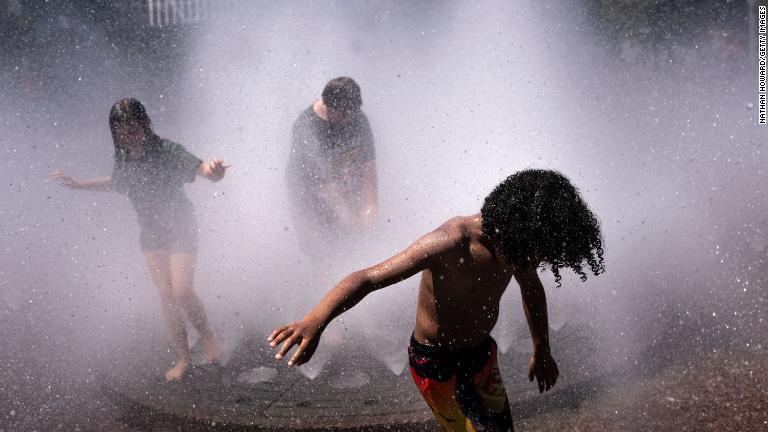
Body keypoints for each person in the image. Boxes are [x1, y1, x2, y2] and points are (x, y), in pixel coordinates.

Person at [268, 169, 605, 431]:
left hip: (480, 355)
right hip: (434, 362)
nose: (531, 261)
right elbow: (368, 278)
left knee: (499, 428)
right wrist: (316, 319)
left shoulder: (517, 249)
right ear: (514, 228)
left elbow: (532, 290)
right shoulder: (448, 243)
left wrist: (541, 348)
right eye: (532, 252)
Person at [50, 98, 229, 381]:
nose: (128, 134)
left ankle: (207, 335)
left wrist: (213, 171)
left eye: (133, 127)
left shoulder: (166, 150)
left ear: (145, 123)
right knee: (167, 297)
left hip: (180, 225)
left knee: (182, 291)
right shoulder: (122, 157)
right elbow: (115, 182)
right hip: (151, 233)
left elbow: (201, 169)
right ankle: (183, 358)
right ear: (115, 132)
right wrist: (78, 185)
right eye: (121, 130)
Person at [285, 77, 378, 254]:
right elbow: (326, 185)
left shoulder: (356, 117)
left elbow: (368, 164)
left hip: (341, 184)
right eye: (344, 115)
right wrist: (353, 223)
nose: (350, 120)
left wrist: (370, 208)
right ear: (328, 107)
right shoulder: (307, 128)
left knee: (356, 243)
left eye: (353, 114)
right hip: (307, 196)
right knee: (322, 250)